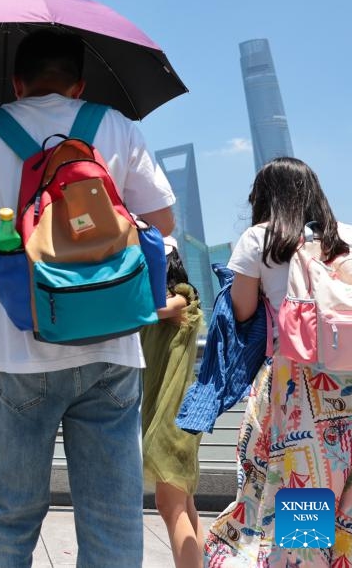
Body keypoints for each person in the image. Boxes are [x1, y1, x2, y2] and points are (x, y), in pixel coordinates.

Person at [0, 29, 176, 567]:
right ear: (80, 85)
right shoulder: (114, 124)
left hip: (19, 346)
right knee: (113, 521)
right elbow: (162, 223)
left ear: (17, 83)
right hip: (112, 347)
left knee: (9, 518)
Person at [205, 157, 352, 566]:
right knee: (346, 497)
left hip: (299, 384)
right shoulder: (348, 237)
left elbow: (241, 310)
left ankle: (303, 561)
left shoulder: (261, 238)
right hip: (351, 380)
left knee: (305, 490)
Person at [140, 238, 204, 568]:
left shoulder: (181, 299)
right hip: (174, 415)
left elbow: (152, 311)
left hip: (172, 418)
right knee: (185, 506)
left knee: (171, 506)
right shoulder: (168, 303)